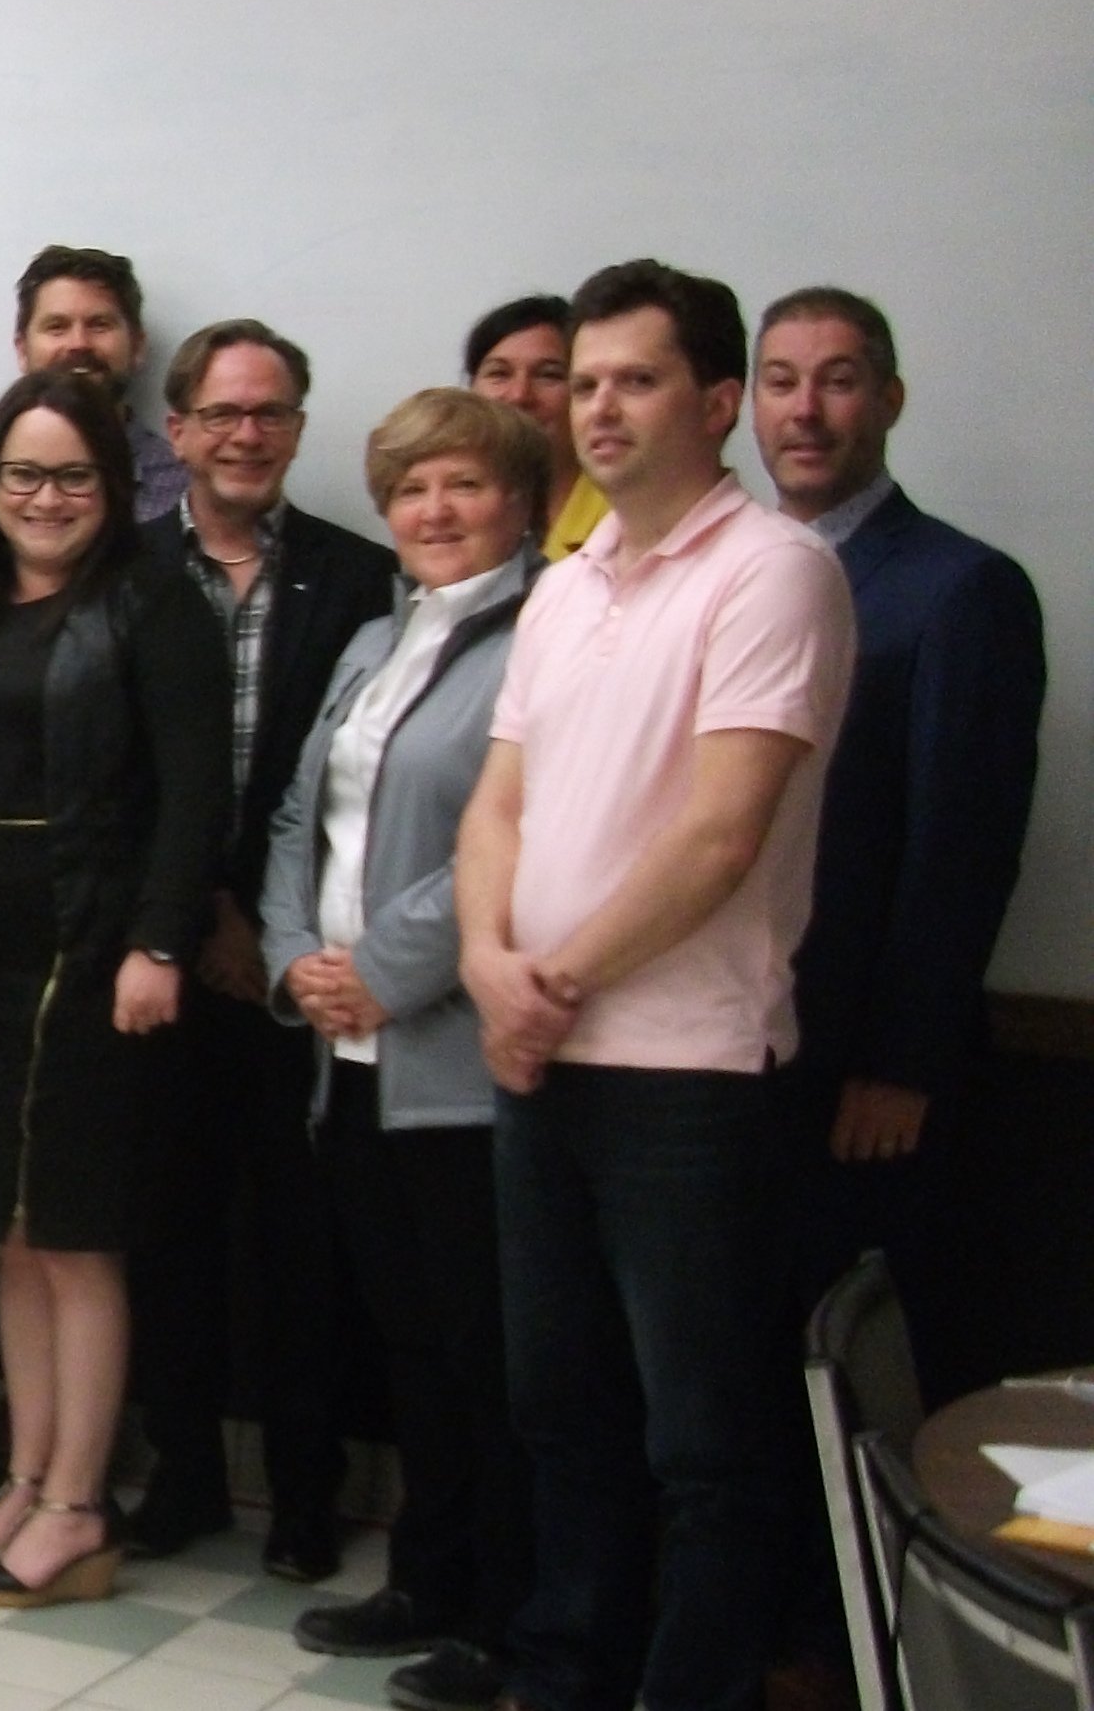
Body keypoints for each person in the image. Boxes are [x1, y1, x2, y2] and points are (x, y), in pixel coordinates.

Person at [457, 259, 851, 1711]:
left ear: (719, 402)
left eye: (635, 379)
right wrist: (493, 968)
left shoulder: (776, 572)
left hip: (687, 1075)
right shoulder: (562, 591)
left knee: (701, 1443)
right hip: (539, 1058)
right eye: (585, 381)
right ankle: (564, 1678)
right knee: (557, 1411)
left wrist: (546, 974)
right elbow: (496, 805)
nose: (597, 407)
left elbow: (719, 832)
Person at [0, 368, 227, 1610]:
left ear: (115, 485)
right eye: (21, 476)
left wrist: (158, 944)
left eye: (71, 476)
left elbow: (196, 796)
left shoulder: (157, 608)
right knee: (8, 1232)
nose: (44, 499)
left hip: (94, 961)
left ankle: (82, 1504)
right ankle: (31, 1472)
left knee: (77, 1238)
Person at [256, 388, 549, 1711]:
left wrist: (376, 972)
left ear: (518, 500)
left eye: (464, 487)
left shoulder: (545, 636)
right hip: (348, 1061)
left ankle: (508, 1614)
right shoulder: (376, 636)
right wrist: (289, 965)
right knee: (411, 1348)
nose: (434, 513)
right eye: (411, 490)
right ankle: (426, 1579)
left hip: (456, 1064)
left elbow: (523, 838)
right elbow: (294, 825)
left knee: (489, 1357)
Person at [123, 319, 395, 1581]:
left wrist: (265, 930)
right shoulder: (119, 571)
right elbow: (109, 776)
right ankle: (179, 1478)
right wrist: (193, 920)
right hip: (158, 961)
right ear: (173, 430)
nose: (243, 434)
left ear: (296, 428)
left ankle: (302, 1493)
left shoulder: (362, 579)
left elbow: (359, 788)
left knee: (305, 1250)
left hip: (302, 975)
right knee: (165, 1239)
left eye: (269, 413)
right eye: (219, 413)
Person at [763, 286, 1045, 1391]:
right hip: (736, 1053)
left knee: (846, 1366)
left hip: (858, 1071)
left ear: (887, 398)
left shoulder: (955, 588)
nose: (807, 410)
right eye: (781, 381)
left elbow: (961, 847)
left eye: (836, 380)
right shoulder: (720, 575)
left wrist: (900, 1061)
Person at [0, 245, 195, 568]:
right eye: (56, 326)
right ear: (22, 349)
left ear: (138, 346)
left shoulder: (186, 481)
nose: (78, 343)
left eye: (99, 324)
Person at [463, 295, 608, 562]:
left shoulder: (621, 519)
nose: (520, 395)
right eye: (499, 374)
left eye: (548, 375)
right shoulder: (447, 513)